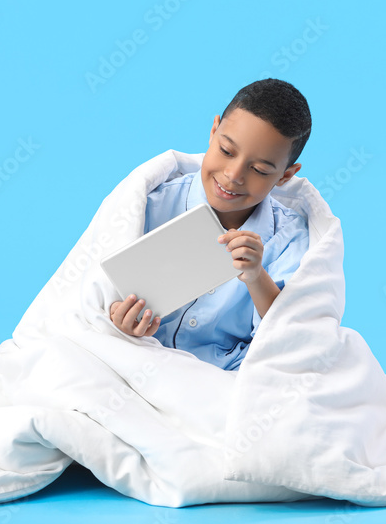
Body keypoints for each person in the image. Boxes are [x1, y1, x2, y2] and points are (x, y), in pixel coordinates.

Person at [108, 78, 312, 371]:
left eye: (259, 170)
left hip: (223, 378)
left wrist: (256, 276)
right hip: (138, 360)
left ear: (285, 175)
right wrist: (117, 318)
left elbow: (291, 336)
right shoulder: (150, 206)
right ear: (214, 131)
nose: (233, 175)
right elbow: (94, 294)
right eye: (227, 151)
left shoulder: (289, 238)